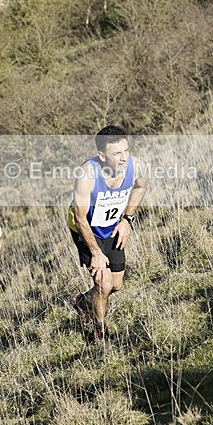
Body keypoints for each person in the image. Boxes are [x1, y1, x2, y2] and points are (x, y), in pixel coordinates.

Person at [68, 125, 147, 342]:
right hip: (86, 229)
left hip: (111, 226)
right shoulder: (87, 175)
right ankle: (99, 333)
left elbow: (140, 187)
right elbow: (80, 218)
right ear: (102, 156)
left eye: (126, 151)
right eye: (117, 153)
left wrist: (127, 219)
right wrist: (96, 253)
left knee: (116, 285)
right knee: (104, 284)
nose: (123, 158)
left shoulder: (136, 166)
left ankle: (84, 301)